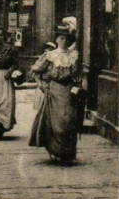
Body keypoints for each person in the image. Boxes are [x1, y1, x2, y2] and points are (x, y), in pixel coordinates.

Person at [29, 29, 82, 163]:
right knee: (55, 122)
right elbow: (35, 70)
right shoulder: (50, 55)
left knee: (68, 121)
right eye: (61, 38)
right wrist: (42, 85)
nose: (64, 42)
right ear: (57, 40)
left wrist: (78, 86)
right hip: (54, 90)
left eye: (67, 39)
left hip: (69, 91)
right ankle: (55, 150)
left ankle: (67, 152)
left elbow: (78, 74)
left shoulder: (74, 55)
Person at [32, 42, 57, 111]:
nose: (47, 50)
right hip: (43, 83)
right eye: (46, 48)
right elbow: (36, 71)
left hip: (52, 84)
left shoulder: (56, 59)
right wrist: (40, 84)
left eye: (50, 49)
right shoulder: (42, 59)